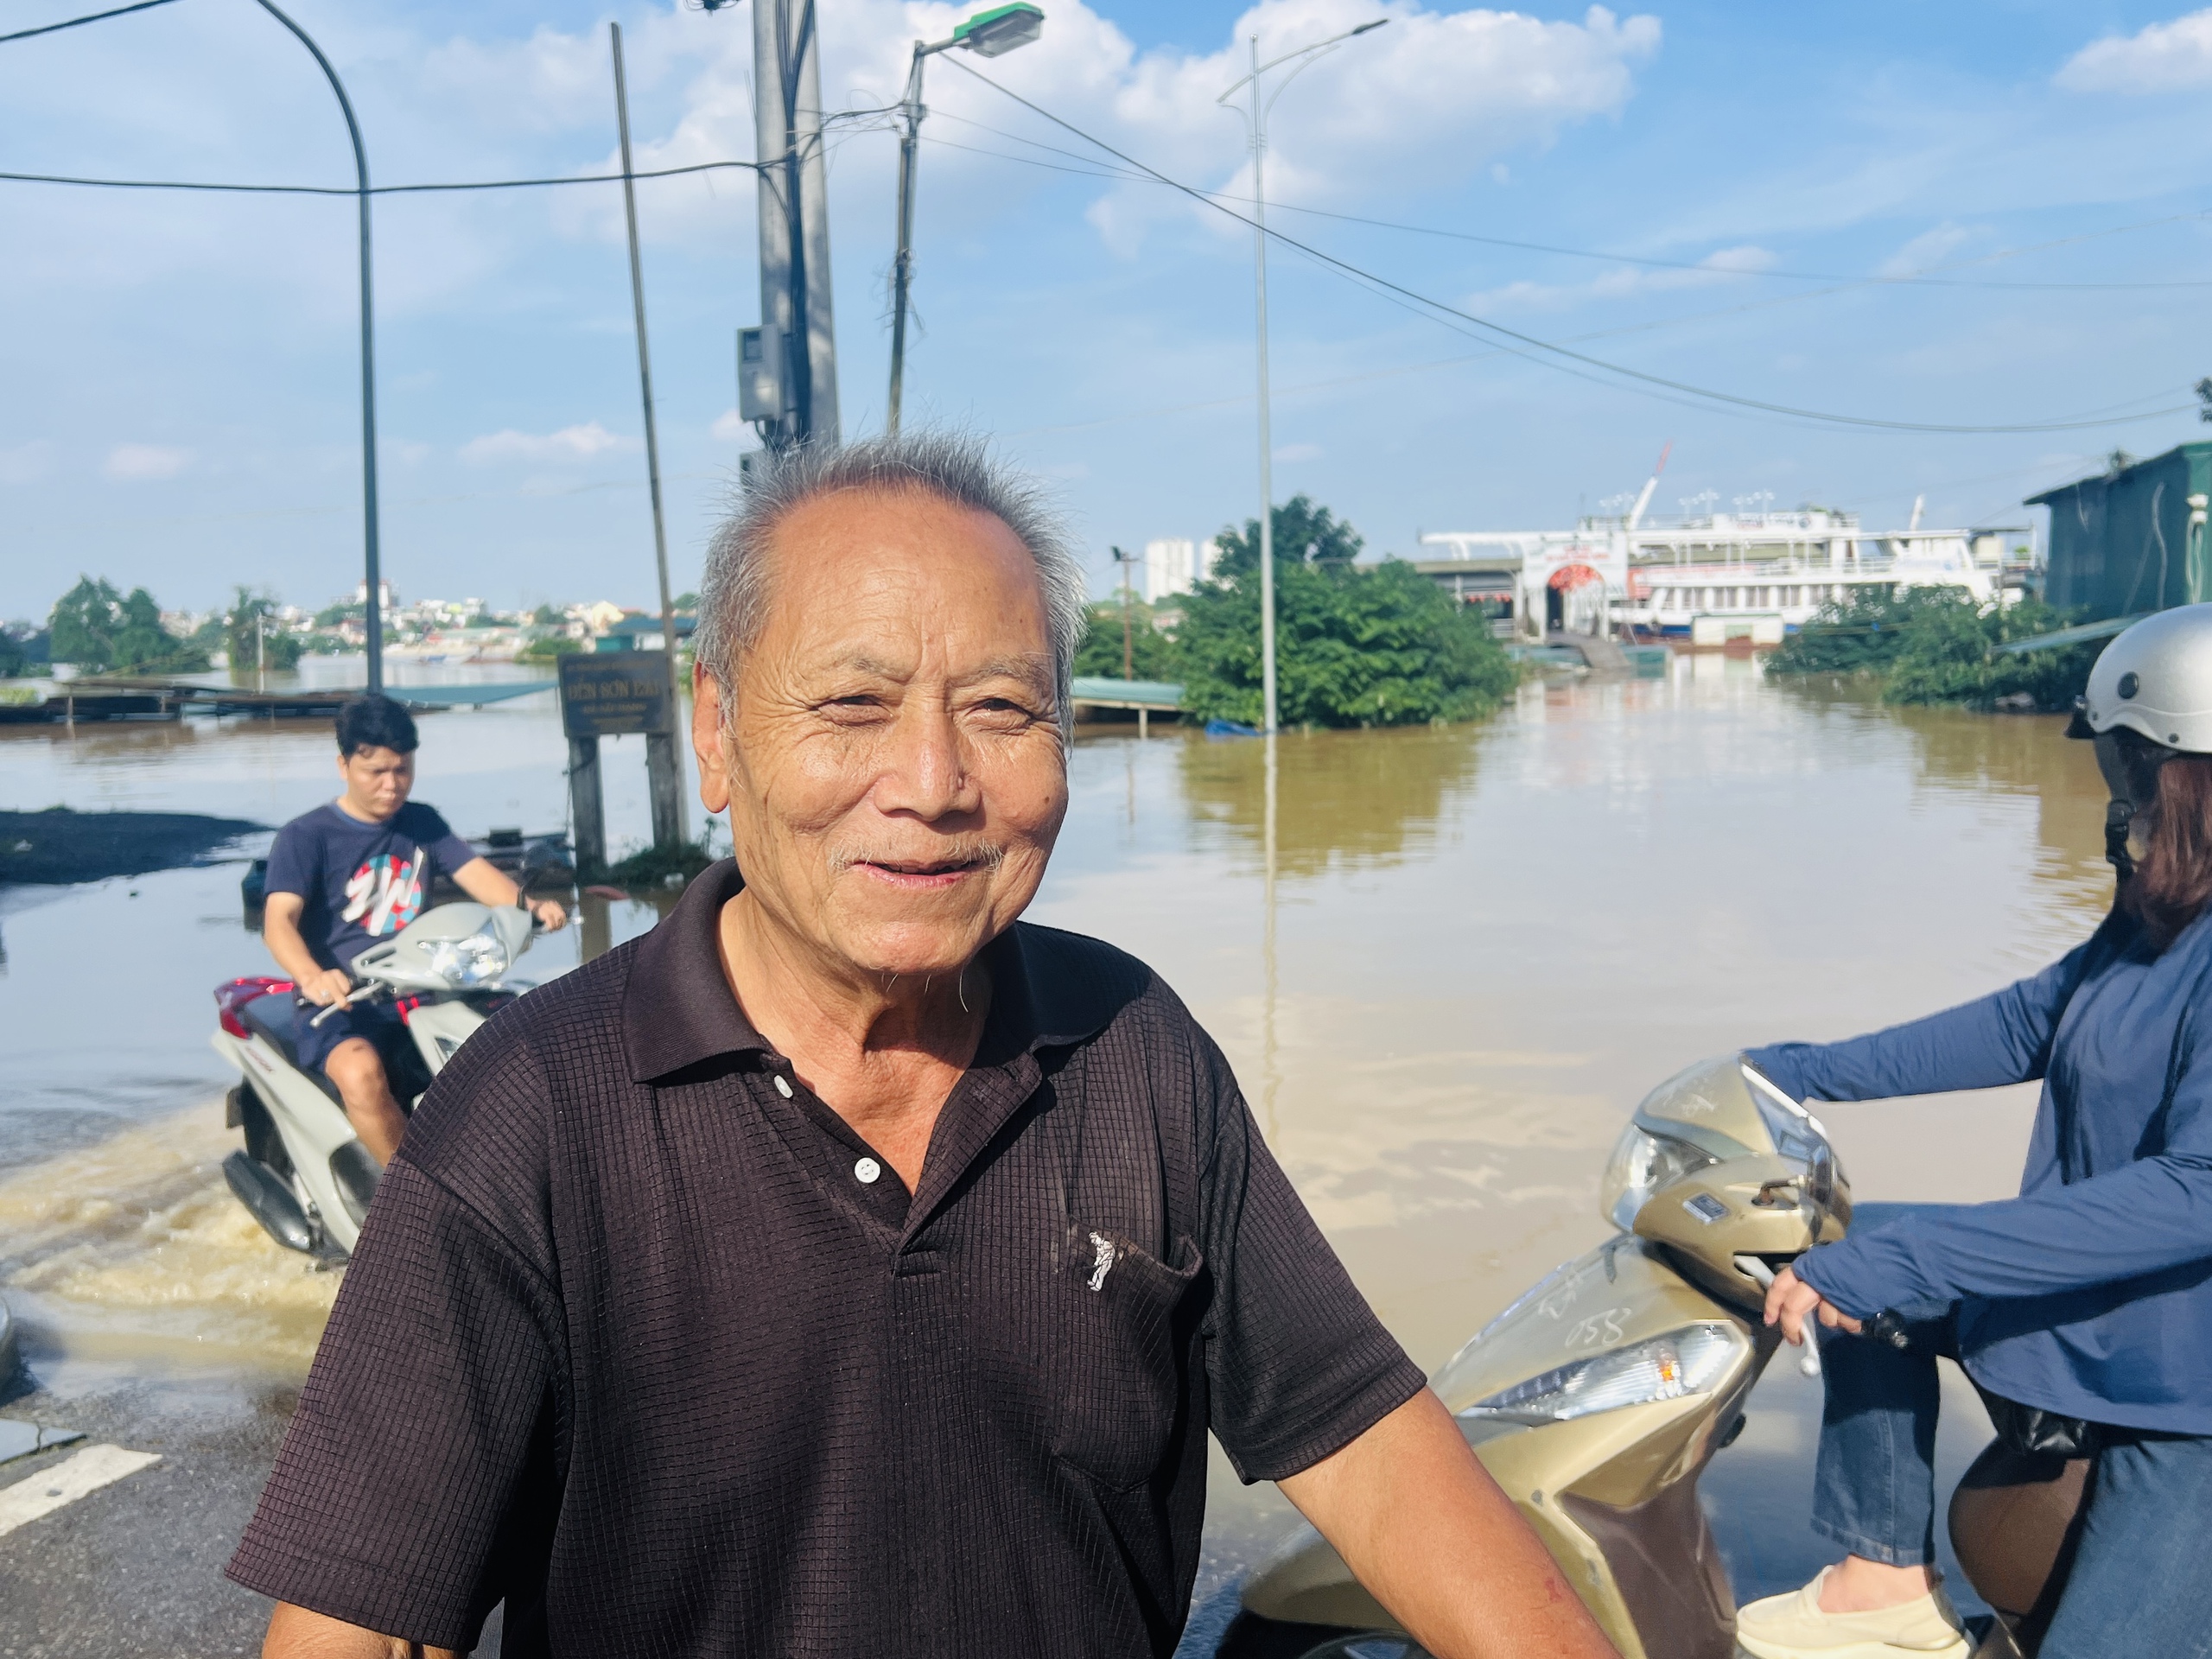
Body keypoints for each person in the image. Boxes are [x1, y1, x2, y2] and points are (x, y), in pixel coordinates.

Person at [226, 434, 1620, 1659]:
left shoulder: (1131, 1050)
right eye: (851, 705)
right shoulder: (532, 1109)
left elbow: (1367, 1449)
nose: (938, 785)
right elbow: (369, 1617)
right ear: (718, 731)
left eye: (1004, 710)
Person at [1732, 606, 2212, 1659]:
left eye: (2127, 768)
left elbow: (2197, 1191)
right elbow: (2022, 1023)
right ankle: (1883, 1584)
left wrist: (1907, 1255)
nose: (2114, 797)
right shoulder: (2159, 914)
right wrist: (1788, 1072)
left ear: (2178, 773)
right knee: (1851, 1251)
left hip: (2192, 1406)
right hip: (2116, 1318)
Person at [261, 693, 567, 1165]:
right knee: (361, 1073)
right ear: (344, 766)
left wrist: (530, 906)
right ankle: (409, 1201)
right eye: (376, 773)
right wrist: (312, 975)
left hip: (425, 986)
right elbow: (279, 922)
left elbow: (478, 877)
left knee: (519, 1041)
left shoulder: (421, 822)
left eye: (402, 770)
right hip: (343, 1003)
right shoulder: (305, 837)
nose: (391, 785)